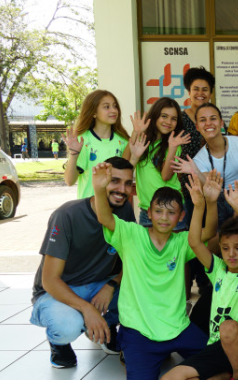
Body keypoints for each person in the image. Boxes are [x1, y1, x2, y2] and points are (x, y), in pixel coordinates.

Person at [92, 164, 220, 379]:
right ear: (148, 212)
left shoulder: (182, 241)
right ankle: (131, 350)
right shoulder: (131, 234)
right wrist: (98, 190)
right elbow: (105, 218)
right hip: (138, 332)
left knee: (219, 363)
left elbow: (208, 232)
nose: (163, 217)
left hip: (178, 328)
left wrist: (209, 203)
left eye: (171, 213)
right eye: (158, 211)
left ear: (181, 216)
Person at [30, 156, 136, 369]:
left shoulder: (124, 211)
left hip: (100, 285)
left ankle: (107, 326)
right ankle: (59, 343)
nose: (122, 189)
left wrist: (111, 284)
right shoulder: (67, 214)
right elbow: (50, 280)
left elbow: (132, 262)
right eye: (114, 181)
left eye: (128, 183)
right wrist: (87, 309)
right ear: (101, 180)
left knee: (142, 286)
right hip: (58, 291)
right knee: (67, 326)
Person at [162, 193, 238, 381]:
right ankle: (236, 374)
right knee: (170, 379)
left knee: (228, 327)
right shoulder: (218, 269)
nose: (231, 254)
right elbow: (194, 242)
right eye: (225, 248)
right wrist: (199, 206)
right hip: (216, 346)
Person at [173, 102, 238, 224]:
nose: (208, 123)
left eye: (213, 118)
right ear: (197, 127)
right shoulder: (198, 160)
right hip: (217, 206)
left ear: (221, 122)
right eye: (203, 120)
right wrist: (195, 171)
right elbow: (208, 186)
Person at [125, 97, 189, 229]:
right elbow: (124, 165)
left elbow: (166, 176)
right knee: (148, 249)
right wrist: (136, 132)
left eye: (173, 119)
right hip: (147, 210)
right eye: (164, 116)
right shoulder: (142, 140)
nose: (168, 122)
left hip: (172, 210)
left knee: (173, 249)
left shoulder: (175, 144)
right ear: (154, 116)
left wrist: (172, 148)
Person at [64, 90, 129, 199]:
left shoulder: (123, 142)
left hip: (115, 210)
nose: (113, 110)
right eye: (107, 107)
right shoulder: (82, 141)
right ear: (93, 112)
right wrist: (74, 155)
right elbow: (69, 181)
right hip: (88, 209)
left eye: (115, 106)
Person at [176, 66, 214, 222]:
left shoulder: (214, 118)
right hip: (185, 187)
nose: (200, 93)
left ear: (210, 93)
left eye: (205, 89)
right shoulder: (180, 119)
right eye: (196, 89)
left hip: (209, 185)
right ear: (189, 92)